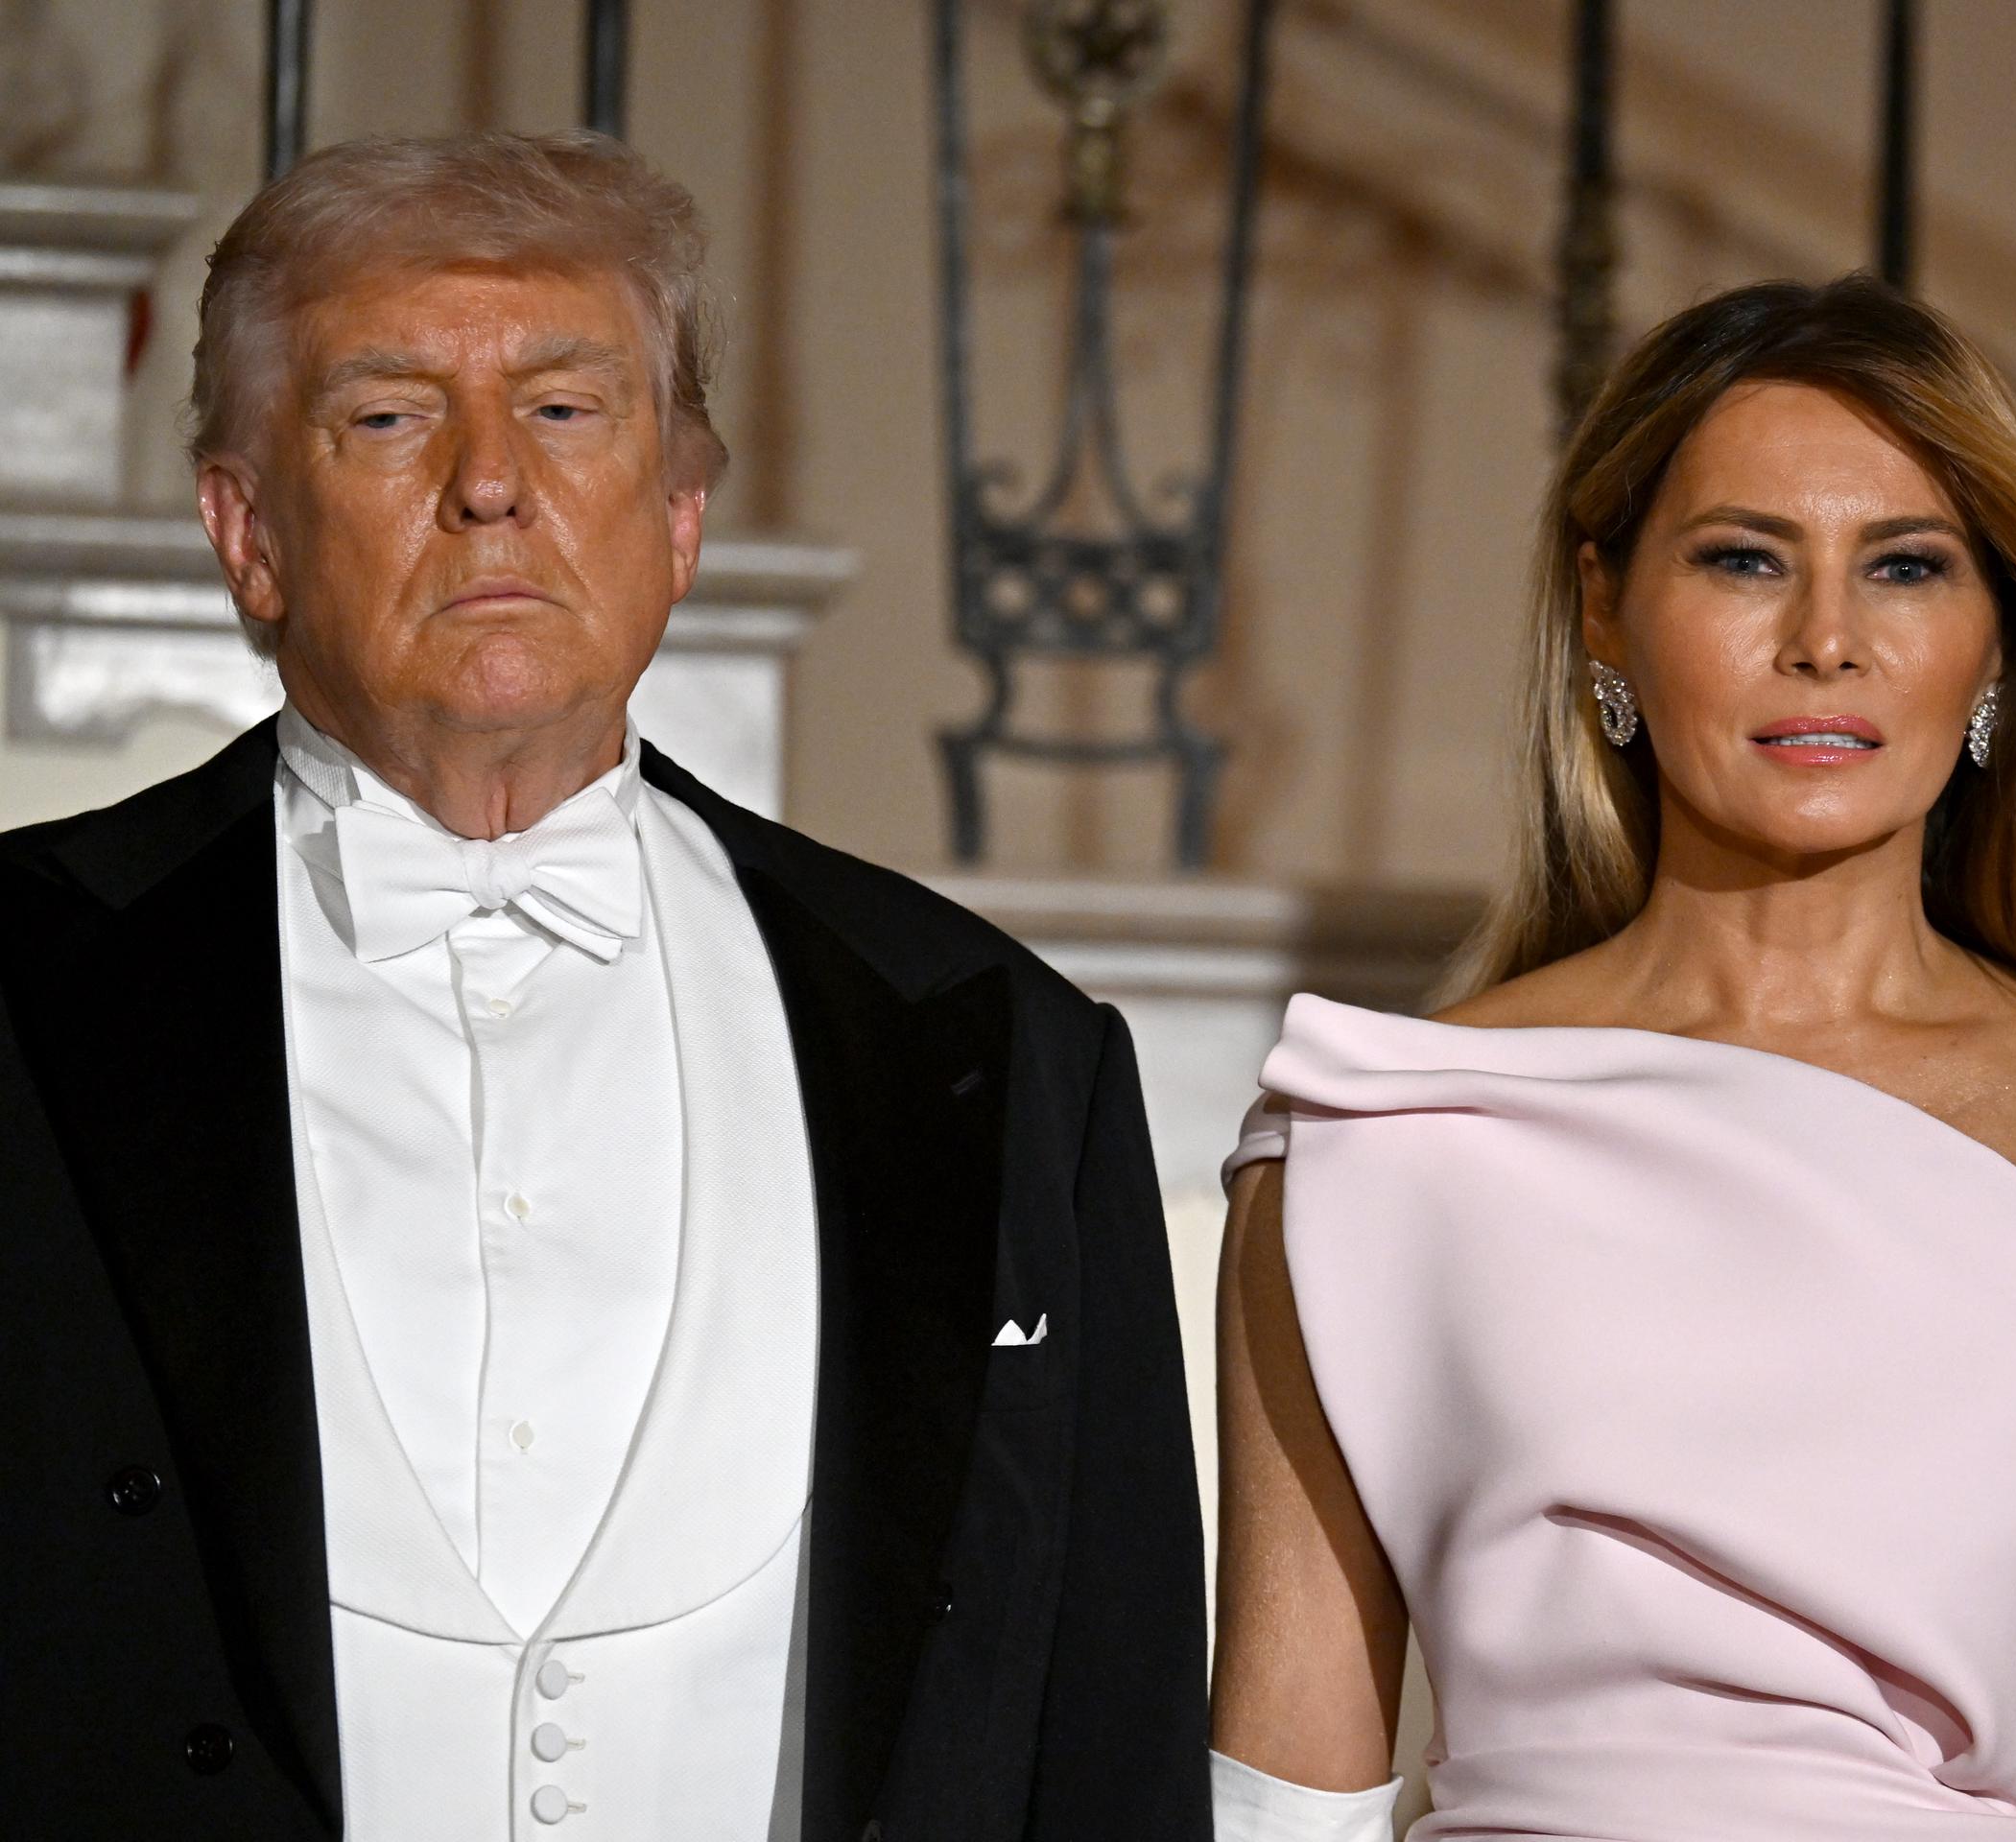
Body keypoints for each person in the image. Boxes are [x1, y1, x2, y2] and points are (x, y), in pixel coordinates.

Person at [0, 131, 1209, 1841]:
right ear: (245, 530)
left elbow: (1110, 1735)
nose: (492, 483)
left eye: (568, 411)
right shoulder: (21, 993)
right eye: (392, 415)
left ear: (682, 516)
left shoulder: (998, 1045)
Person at [1208, 276, 2016, 1842]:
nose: (1827, 642)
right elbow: (1277, 1806)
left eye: (1908, 569)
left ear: (1997, 639)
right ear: (1606, 607)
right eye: (1743, 560)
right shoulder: (1380, 1134)